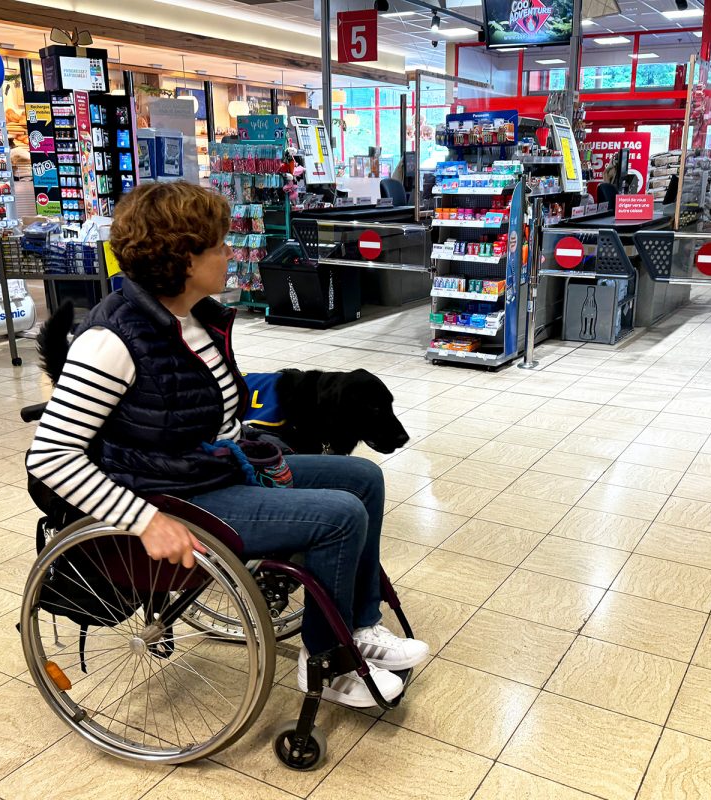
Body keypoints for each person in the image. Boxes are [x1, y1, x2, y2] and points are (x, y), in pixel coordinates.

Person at [25, 181, 427, 708]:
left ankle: (361, 623)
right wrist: (146, 520)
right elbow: (51, 456)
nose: (229, 253)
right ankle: (326, 664)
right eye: (217, 245)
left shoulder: (195, 320)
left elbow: (211, 418)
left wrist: (260, 450)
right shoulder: (112, 342)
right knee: (340, 514)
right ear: (182, 257)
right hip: (174, 494)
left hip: (212, 467)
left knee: (363, 477)